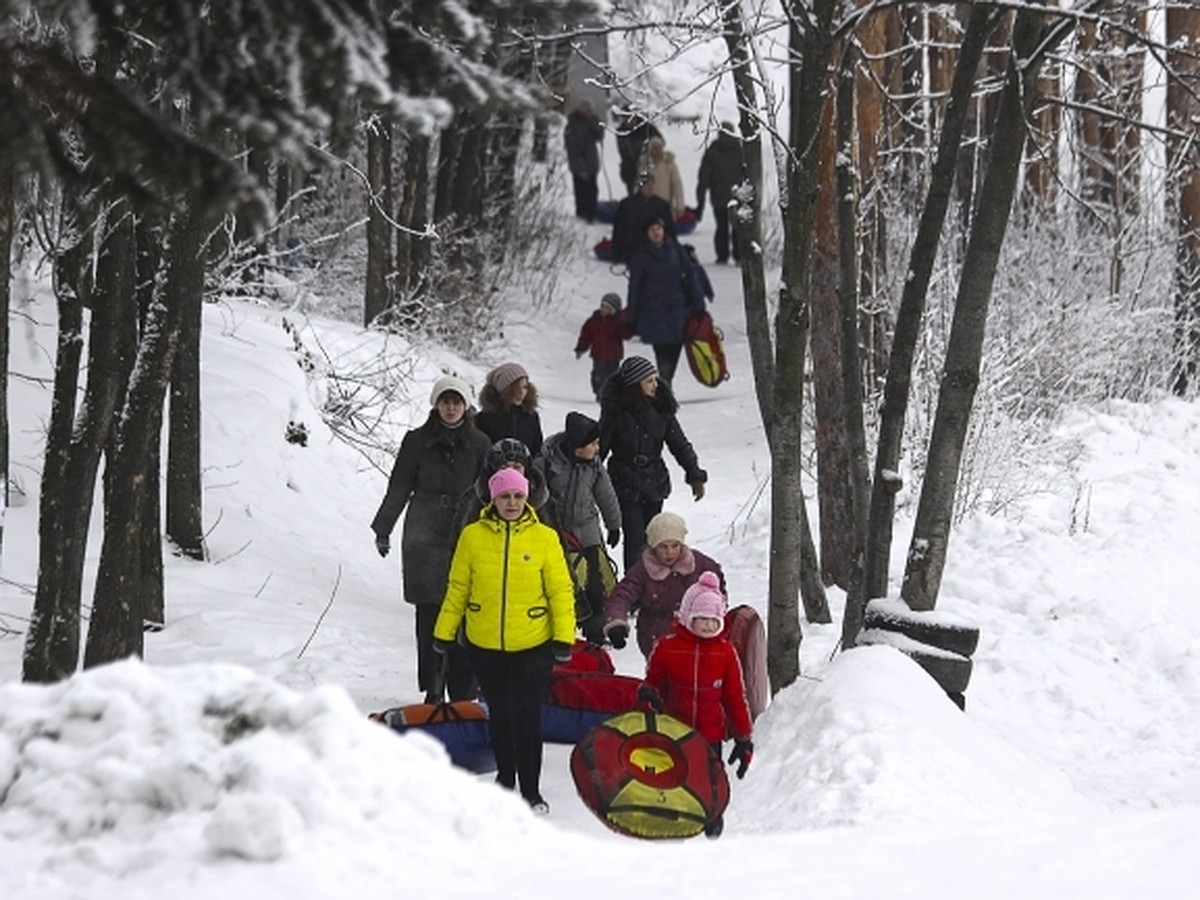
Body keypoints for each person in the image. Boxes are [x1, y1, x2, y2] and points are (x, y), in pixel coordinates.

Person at [434, 468, 576, 815]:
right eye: (504, 496)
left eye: (518, 496)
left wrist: (563, 636)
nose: (511, 503)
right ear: (492, 498)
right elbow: (458, 587)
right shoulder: (472, 536)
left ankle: (531, 790)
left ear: (527, 499)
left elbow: (560, 590)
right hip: (486, 644)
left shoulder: (545, 537)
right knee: (499, 714)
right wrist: (444, 630)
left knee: (527, 716)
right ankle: (505, 779)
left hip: (533, 644)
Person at [371, 374, 491, 704]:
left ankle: (463, 690)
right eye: (445, 401)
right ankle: (433, 687)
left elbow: (491, 492)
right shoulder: (416, 441)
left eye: (456, 402)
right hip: (423, 532)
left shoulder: (481, 443)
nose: (450, 408)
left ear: (465, 406)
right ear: (435, 404)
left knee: (466, 611)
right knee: (429, 612)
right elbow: (399, 486)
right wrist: (384, 527)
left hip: (466, 531)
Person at [639, 570, 754, 838]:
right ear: (689, 616)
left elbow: (736, 697)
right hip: (674, 727)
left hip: (710, 730)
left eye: (714, 620)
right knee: (675, 771)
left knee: (709, 774)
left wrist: (743, 737)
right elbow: (652, 681)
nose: (708, 626)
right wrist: (648, 697)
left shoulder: (725, 652)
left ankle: (711, 813)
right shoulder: (667, 648)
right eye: (702, 619)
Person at [599, 357, 707, 571]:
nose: (655, 385)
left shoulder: (662, 410)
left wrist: (694, 473)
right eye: (649, 381)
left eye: (655, 379)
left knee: (655, 537)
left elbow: (679, 444)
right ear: (635, 384)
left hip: (654, 482)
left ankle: (655, 587)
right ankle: (634, 589)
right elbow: (599, 448)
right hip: (624, 481)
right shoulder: (615, 411)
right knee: (635, 538)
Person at [538, 412, 623, 644]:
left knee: (594, 585)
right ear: (577, 446)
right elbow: (537, 499)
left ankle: (595, 633)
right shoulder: (547, 463)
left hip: (588, 533)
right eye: (593, 443)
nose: (598, 448)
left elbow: (606, 495)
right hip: (557, 533)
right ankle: (561, 631)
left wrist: (614, 525)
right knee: (563, 584)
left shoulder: (594, 466)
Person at [603, 510, 725, 657]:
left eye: (675, 546)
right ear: (653, 547)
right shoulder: (643, 570)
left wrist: (715, 615)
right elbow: (622, 595)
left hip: (693, 635)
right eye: (663, 546)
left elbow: (718, 590)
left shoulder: (700, 564)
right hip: (654, 637)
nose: (670, 552)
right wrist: (616, 621)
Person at [626, 219, 706, 385]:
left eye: (658, 228)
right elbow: (634, 287)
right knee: (661, 351)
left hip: (678, 309)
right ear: (647, 233)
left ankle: (666, 380)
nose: (656, 232)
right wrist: (632, 316)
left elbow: (691, 275)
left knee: (675, 347)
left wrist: (699, 303)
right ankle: (665, 381)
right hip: (653, 312)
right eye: (652, 229)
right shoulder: (641, 256)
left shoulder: (676, 249)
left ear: (664, 230)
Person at [454, 437, 553, 537]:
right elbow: (459, 540)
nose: (511, 471)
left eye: (517, 467)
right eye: (503, 467)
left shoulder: (540, 498)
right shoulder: (473, 498)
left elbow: (555, 542)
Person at [695, 123, 746, 264]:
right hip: (738, 196)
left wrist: (701, 201)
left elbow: (703, 177)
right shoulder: (740, 150)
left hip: (718, 197)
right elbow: (748, 174)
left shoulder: (713, 151)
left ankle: (722, 255)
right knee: (737, 228)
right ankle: (738, 255)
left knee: (721, 227)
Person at [475, 362, 544, 458]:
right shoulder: (484, 419)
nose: (521, 393)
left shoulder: (531, 417)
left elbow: (537, 451)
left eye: (524, 387)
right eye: (515, 388)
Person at [574, 292, 630, 402]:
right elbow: (586, 336)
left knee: (611, 376)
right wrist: (581, 348)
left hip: (613, 355)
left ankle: (610, 394)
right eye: (602, 306)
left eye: (608, 308)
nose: (604, 310)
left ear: (614, 310)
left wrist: (623, 320)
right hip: (598, 354)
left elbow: (626, 334)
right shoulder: (593, 321)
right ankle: (598, 391)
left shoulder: (617, 322)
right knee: (597, 375)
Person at [611, 172, 675, 266]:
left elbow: (670, 230)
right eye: (647, 185)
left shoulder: (662, 205)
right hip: (634, 251)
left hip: (658, 251)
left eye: (652, 184)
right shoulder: (627, 205)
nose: (650, 188)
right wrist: (617, 253)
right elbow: (619, 230)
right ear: (640, 187)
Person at [564, 100, 605, 223]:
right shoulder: (573, 125)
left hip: (591, 162)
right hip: (579, 163)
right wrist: (580, 167)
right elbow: (572, 148)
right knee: (581, 190)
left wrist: (595, 124)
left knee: (592, 189)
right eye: (588, 111)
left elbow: (599, 136)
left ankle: (591, 213)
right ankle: (582, 213)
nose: (590, 113)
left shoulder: (592, 122)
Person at [636, 136, 686, 219]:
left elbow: (677, 186)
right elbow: (639, 185)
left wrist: (680, 206)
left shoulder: (669, 164)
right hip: (647, 205)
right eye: (654, 148)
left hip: (665, 205)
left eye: (658, 148)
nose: (656, 150)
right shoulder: (645, 164)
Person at [616, 112, 662, 196]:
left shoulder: (646, 127)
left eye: (631, 118)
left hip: (646, 165)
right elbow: (623, 151)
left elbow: (659, 141)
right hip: (629, 168)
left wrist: (649, 150)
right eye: (626, 118)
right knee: (633, 194)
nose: (629, 121)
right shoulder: (622, 132)